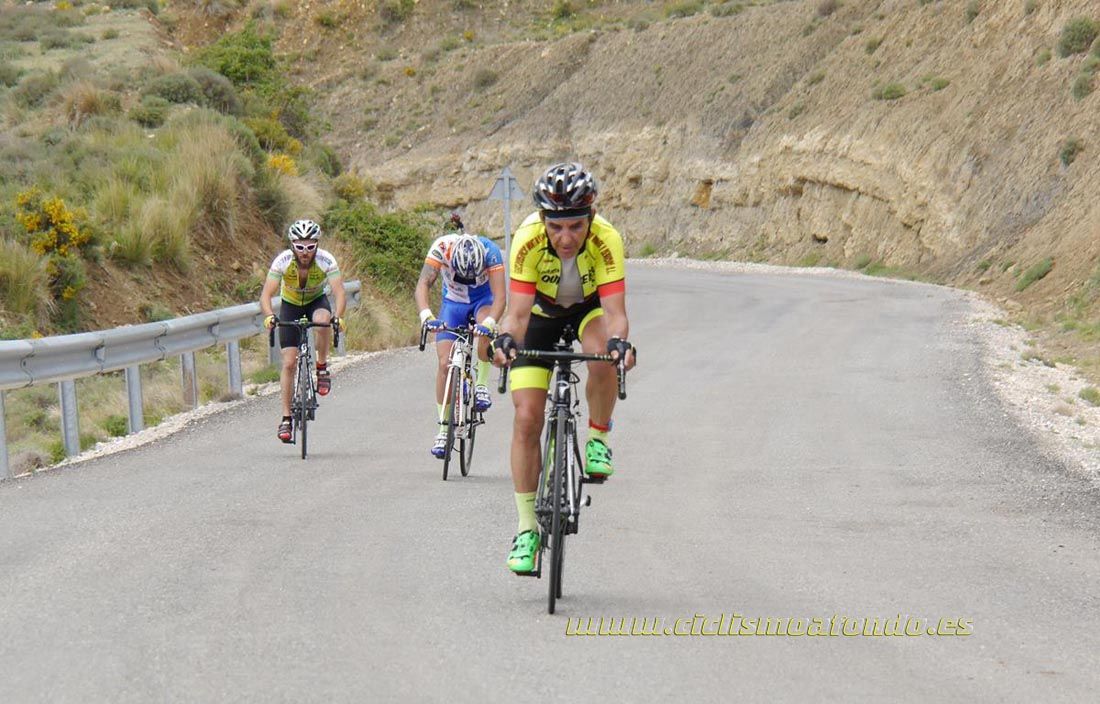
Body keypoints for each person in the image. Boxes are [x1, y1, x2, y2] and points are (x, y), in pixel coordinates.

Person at [492, 162, 636, 573]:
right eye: (556, 228)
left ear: (590, 218)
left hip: (588, 310)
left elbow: (615, 313)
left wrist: (619, 343)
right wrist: (506, 342)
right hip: (538, 315)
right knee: (526, 418)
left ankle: (597, 438)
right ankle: (526, 530)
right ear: (543, 221)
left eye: (575, 226)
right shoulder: (526, 239)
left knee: (604, 356)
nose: (566, 237)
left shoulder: (607, 238)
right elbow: (516, 316)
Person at [414, 214, 506, 458]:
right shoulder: (441, 248)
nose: (468, 279)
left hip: (482, 301)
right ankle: (443, 429)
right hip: (453, 304)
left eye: (473, 275)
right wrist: (426, 316)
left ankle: (483, 386)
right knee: (444, 364)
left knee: (486, 329)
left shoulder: (491, 252)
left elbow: (500, 297)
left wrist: (489, 323)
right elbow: (423, 285)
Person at [260, 219, 346, 443]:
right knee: (289, 363)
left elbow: (339, 293)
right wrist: (269, 315)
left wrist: (339, 317)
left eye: (310, 247)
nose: (305, 252)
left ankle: (322, 366)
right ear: (292, 246)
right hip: (290, 305)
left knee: (323, 320)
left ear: (317, 245)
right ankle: (286, 419)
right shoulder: (283, 261)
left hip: (316, 301)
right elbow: (266, 295)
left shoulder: (326, 260)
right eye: (300, 247)